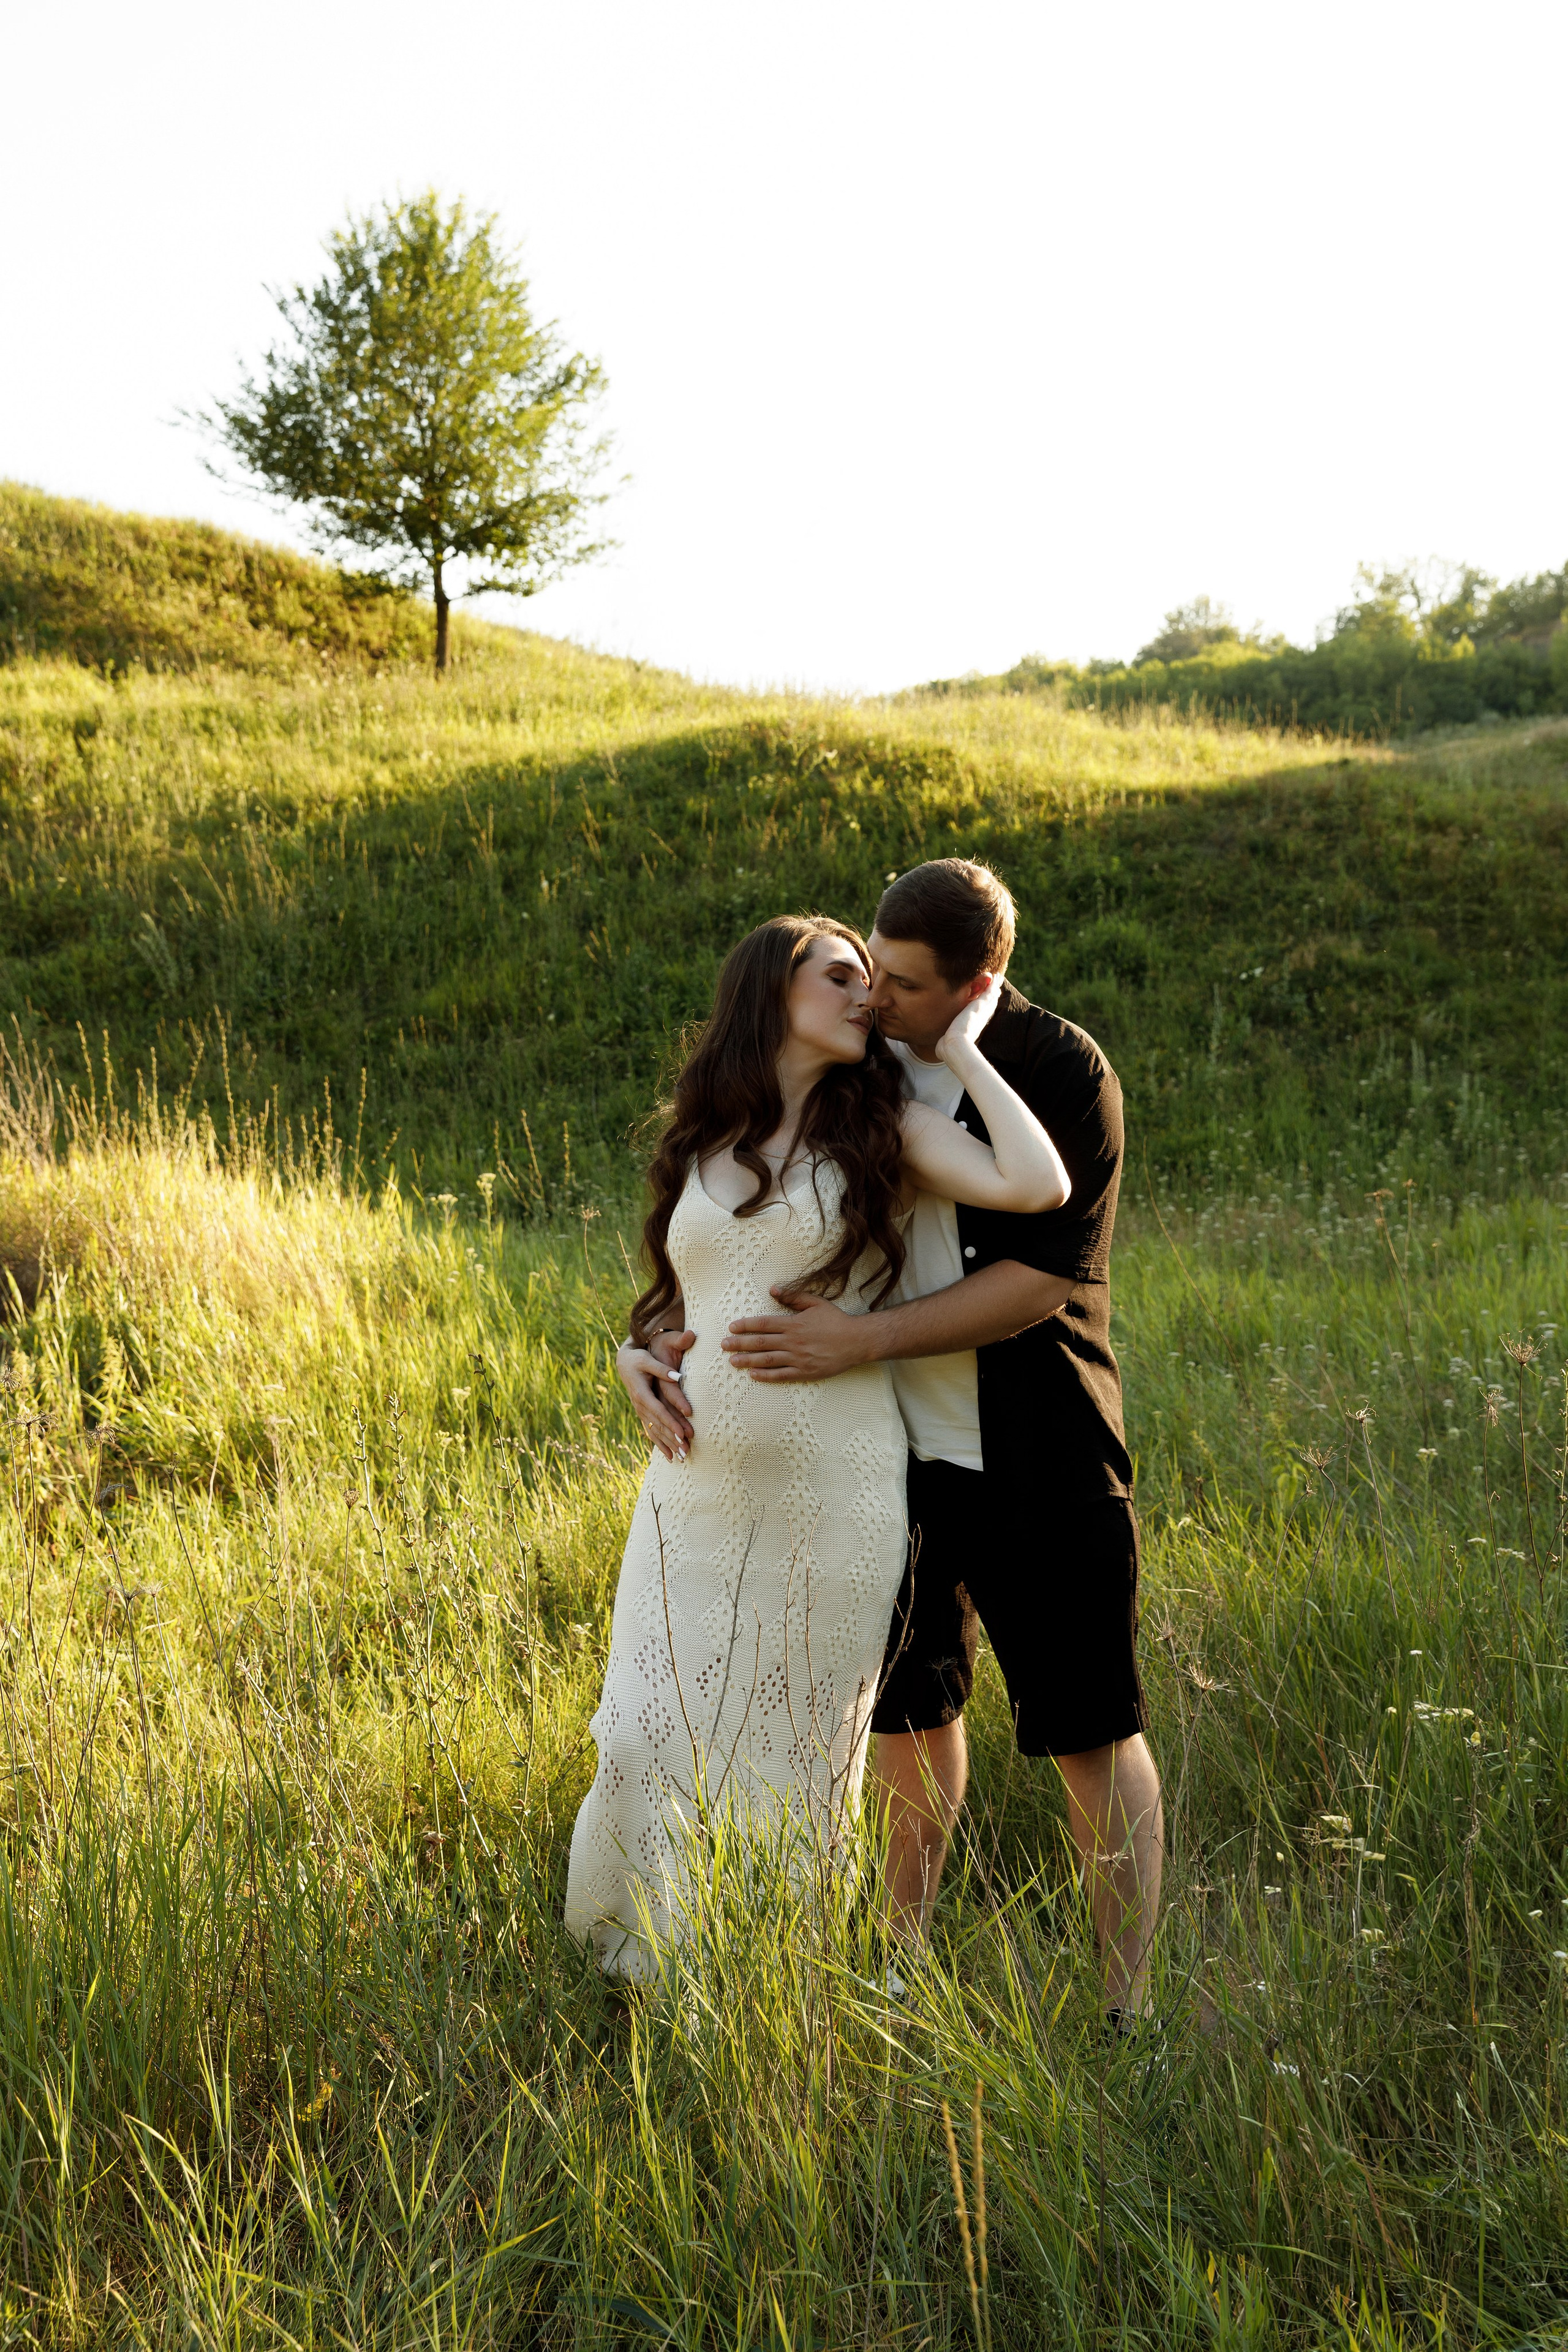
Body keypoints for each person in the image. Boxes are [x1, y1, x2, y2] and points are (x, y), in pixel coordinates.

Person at [627, 862, 1163, 2026]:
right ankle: (896, 1959)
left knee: (1088, 1723)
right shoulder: (856, 1069)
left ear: (980, 981)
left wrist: (859, 1342)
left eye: (907, 987)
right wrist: (648, 1347)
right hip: (880, 1464)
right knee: (909, 1721)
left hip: (1037, 1452)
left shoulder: (1057, 1070)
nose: (877, 999)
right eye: (867, 969)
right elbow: (739, 1242)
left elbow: (1042, 1277)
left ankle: (1127, 2007)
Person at [569, 912, 1069, 1978]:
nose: (867, 998)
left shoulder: (881, 1126)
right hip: (691, 1496)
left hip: (829, 1489)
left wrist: (962, 1050)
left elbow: (1038, 1186)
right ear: (772, 995)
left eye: (872, 981)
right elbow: (682, 1295)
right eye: (841, 978)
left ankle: (759, 1979)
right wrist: (631, 1354)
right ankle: (638, 1955)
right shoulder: (705, 1135)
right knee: (649, 1725)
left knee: (787, 1750)